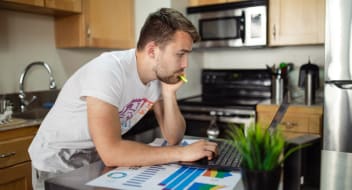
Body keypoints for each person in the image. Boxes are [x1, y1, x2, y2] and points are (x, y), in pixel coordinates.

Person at [28, 7, 218, 189]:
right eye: (180, 54)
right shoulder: (108, 70)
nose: (185, 64)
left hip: (95, 155)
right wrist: (183, 153)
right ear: (152, 51)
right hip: (58, 159)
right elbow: (111, 152)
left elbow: (173, 136)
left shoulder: (157, 79)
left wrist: (169, 93)